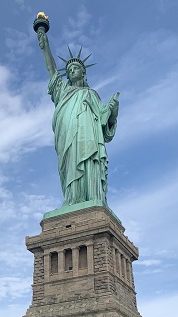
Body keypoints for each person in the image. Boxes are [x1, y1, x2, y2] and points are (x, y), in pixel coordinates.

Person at [36, 23, 119, 207]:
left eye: (75, 68)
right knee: (71, 166)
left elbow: (105, 127)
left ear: (84, 72)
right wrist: (45, 45)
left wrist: (113, 111)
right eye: (69, 69)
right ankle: (72, 199)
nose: (72, 70)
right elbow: (51, 70)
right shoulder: (63, 91)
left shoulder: (92, 95)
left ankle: (92, 199)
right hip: (68, 138)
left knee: (89, 163)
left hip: (89, 139)